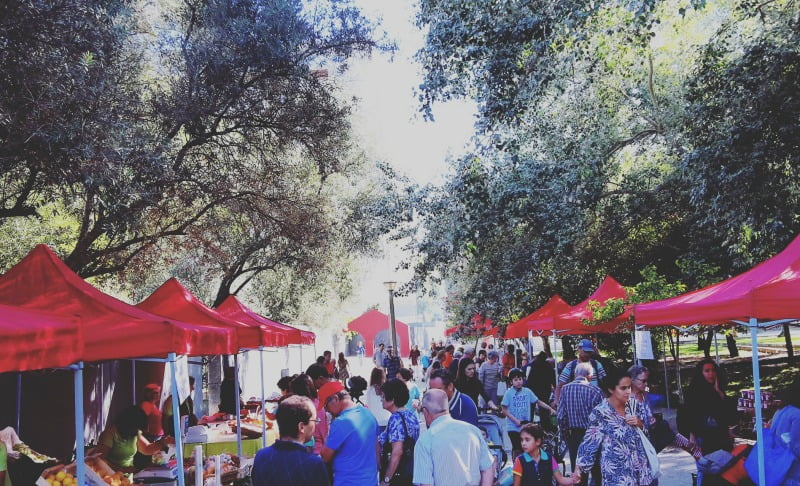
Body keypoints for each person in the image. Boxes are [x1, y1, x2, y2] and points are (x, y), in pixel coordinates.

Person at [574, 370, 657, 486]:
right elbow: (590, 442)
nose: (628, 392)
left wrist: (640, 424)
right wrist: (579, 468)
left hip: (641, 471)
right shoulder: (601, 413)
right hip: (617, 474)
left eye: (629, 387)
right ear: (611, 389)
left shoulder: (634, 406)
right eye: (623, 388)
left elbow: (646, 435)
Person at [412, 389, 494, 486]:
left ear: (425, 412)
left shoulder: (425, 440)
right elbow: (488, 468)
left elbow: (425, 483)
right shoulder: (473, 430)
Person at [251, 395, 330, 486]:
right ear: (301, 427)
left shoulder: (261, 456)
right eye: (314, 421)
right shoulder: (314, 464)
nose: (315, 424)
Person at [628, 365, 699, 459]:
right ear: (632, 380)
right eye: (643, 381)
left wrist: (652, 419)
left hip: (656, 430)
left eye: (647, 380)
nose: (646, 384)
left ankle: (695, 454)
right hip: (644, 438)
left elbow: (652, 394)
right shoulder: (628, 400)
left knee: (677, 437)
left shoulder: (645, 391)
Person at [320, 381, 379, 486]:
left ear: (335, 399)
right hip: (370, 481)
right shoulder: (368, 414)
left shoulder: (341, 422)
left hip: (348, 481)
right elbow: (377, 448)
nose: (327, 411)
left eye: (326, 406)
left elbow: (325, 456)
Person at [557, 362, 603, 479]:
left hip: (574, 434)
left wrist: (565, 434)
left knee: (578, 471)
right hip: (593, 435)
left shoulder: (565, 389)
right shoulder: (596, 391)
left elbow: (561, 416)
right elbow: (601, 417)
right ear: (590, 376)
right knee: (596, 469)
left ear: (575, 374)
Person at [94, 406, 175, 472]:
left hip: (127, 478)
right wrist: (122, 470)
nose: (138, 431)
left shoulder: (135, 433)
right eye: (137, 428)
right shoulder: (110, 433)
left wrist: (163, 442)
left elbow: (147, 448)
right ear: (128, 424)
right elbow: (100, 459)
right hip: (112, 477)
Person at [683, 358, 736, 455]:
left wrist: (719, 392)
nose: (711, 374)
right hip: (703, 436)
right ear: (701, 373)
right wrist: (692, 436)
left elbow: (726, 412)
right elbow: (690, 415)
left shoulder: (717, 389)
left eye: (713, 370)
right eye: (707, 371)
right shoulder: (693, 391)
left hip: (720, 434)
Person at [502, 368, 555, 458]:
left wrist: (550, 409)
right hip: (513, 426)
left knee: (526, 447)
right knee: (517, 448)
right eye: (515, 380)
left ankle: (526, 464)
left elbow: (538, 401)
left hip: (525, 425)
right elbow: (504, 410)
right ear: (511, 382)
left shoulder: (527, 391)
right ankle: (516, 464)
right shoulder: (508, 393)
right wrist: (515, 421)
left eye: (520, 379)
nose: (518, 382)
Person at [379, 379, 421, 486]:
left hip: (397, 476)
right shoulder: (410, 415)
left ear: (392, 400)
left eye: (383, 396)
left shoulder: (396, 418)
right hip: (410, 472)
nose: (381, 399)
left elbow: (397, 452)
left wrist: (386, 480)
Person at [513, 423, 578, 486]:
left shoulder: (549, 458)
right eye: (522, 440)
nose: (523, 443)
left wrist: (574, 480)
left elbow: (561, 479)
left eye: (527, 440)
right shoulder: (520, 460)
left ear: (538, 441)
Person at [554, 339, 606, 404]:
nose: (587, 354)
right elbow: (560, 385)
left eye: (589, 352)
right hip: (576, 402)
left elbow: (604, 385)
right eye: (585, 351)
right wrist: (557, 402)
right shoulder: (571, 366)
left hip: (595, 402)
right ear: (579, 349)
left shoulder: (596, 364)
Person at [769, 380, 800, 485]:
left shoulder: (780, 411)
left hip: (778, 464)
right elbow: (796, 445)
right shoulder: (797, 414)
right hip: (793, 469)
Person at [367, 367, 392, 434]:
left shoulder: (370, 389)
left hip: (374, 421)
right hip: (386, 420)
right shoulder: (385, 389)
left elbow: (368, 404)